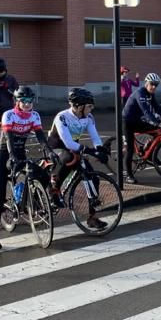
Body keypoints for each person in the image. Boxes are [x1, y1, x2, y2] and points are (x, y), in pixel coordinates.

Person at [0, 86, 57, 252]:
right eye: (23, 101)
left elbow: (41, 137)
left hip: (20, 152)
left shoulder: (34, 116)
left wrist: (49, 151)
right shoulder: (9, 115)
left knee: (39, 172)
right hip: (4, 153)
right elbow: (9, 138)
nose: (27, 104)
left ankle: (31, 201)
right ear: (17, 102)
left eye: (29, 101)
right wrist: (12, 156)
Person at [48, 88, 109, 231]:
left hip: (73, 147)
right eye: (89, 106)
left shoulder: (88, 118)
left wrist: (99, 149)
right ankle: (53, 189)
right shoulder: (62, 117)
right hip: (56, 146)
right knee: (68, 158)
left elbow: (95, 137)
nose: (91, 109)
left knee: (92, 178)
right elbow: (68, 143)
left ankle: (92, 217)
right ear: (79, 106)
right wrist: (89, 151)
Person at [122, 73, 161, 184]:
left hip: (137, 120)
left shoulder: (150, 94)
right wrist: (158, 123)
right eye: (152, 84)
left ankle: (148, 155)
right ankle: (129, 176)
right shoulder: (140, 93)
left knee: (157, 133)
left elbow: (157, 109)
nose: (154, 87)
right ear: (146, 83)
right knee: (130, 150)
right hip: (127, 122)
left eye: (156, 85)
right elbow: (146, 111)